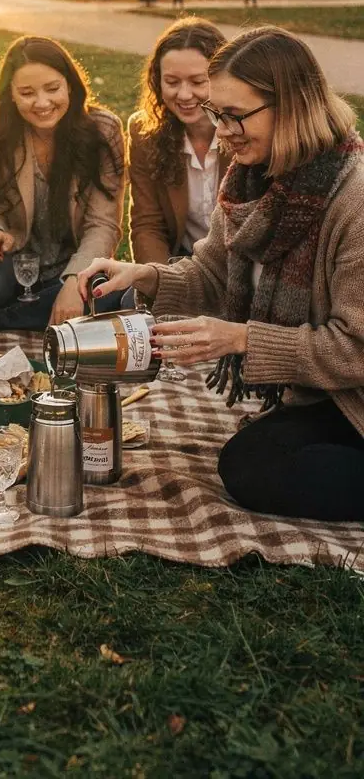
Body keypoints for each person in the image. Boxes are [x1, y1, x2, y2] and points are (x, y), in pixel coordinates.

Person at [77, 26, 364, 523]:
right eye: (217, 113)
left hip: (351, 390)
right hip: (322, 395)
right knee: (252, 460)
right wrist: (143, 275)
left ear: (293, 107)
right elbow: (211, 274)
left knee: (253, 468)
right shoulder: (250, 178)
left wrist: (240, 338)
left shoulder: (353, 201)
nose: (223, 130)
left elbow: (355, 350)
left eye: (235, 115)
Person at [0, 36, 126, 334]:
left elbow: (103, 224)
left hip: (73, 261)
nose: (42, 103)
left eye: (52, 89)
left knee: (113, 294)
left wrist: (74, 281)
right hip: (11, 260)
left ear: (70, 85)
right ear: (11, 94)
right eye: (27, 93)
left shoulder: (104, 129)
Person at [128, 18, 228, 264]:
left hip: (243, 267)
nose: (184, 95)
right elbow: (147, 225)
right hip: (182, 265)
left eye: (198, 82)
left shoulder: (250, 129)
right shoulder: (145, 132)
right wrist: (160, 279)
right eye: (172, 82)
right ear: (157, 80)